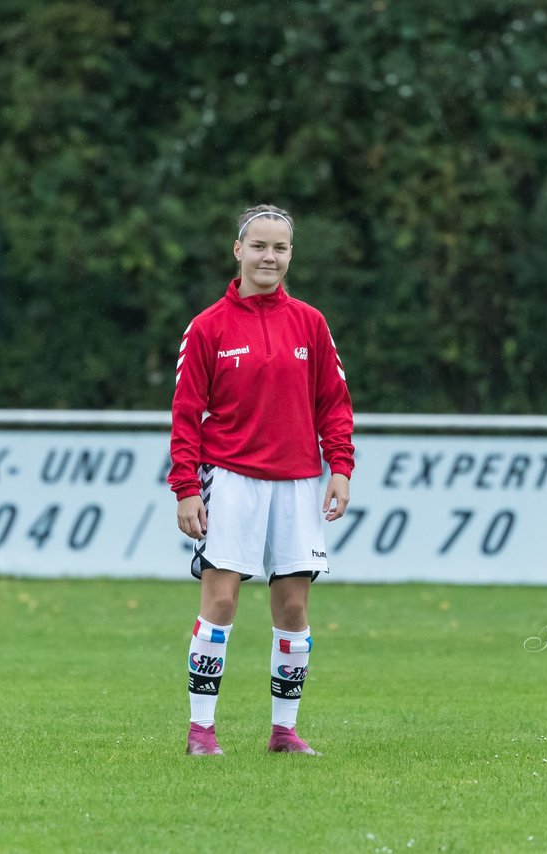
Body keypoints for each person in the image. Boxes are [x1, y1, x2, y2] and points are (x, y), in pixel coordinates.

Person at [169, 203, 355, 756]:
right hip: (229, 478)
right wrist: (184, 487)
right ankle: (202, 730)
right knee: (221, 600)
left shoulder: (311, 323)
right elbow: (186, 414)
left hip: (299, 481)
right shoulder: (208, 327)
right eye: (259, 246)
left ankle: (284, 730)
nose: (268, 256)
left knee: (293, 608)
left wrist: (339, 467)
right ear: (238, 251)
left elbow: (334, 403)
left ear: (290, 255)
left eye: (279, 247)